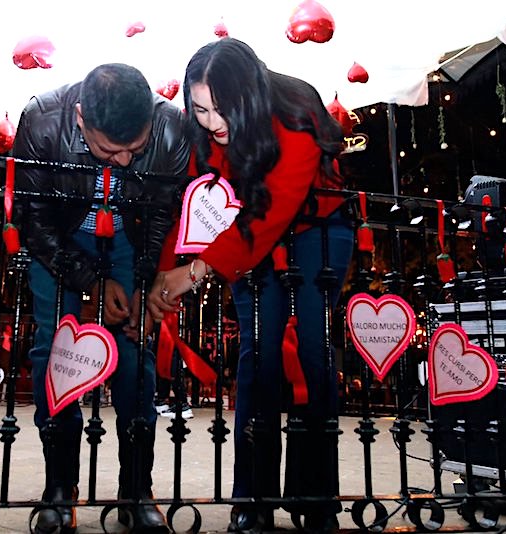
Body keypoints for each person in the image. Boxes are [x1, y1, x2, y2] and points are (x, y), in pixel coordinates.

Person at [147, 39, 353, 532]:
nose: (213, 123)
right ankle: (253, 497)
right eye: (200, 109)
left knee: (315, 354)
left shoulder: (297, 111)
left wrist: (193, 273)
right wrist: (163, 273)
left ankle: (316, 497)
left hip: (317, 229)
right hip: (243, 235)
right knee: (257, 354)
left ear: (252, 97)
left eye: (224, 110)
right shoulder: (199, 134)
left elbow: (270, 215)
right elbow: (194, 207)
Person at [13, 63, 190, 534]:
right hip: (63, 244)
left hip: (133, 243)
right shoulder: (41, 120)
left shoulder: (173, 129)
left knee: (136, 353)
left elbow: (161, 218)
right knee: (56, 349)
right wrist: (91, 282)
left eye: (136, 148)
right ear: (78, 118)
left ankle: (136, 488)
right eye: (110, 150)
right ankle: (60, 487)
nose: (126, 162)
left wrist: (142, 285)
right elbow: (33, 221)